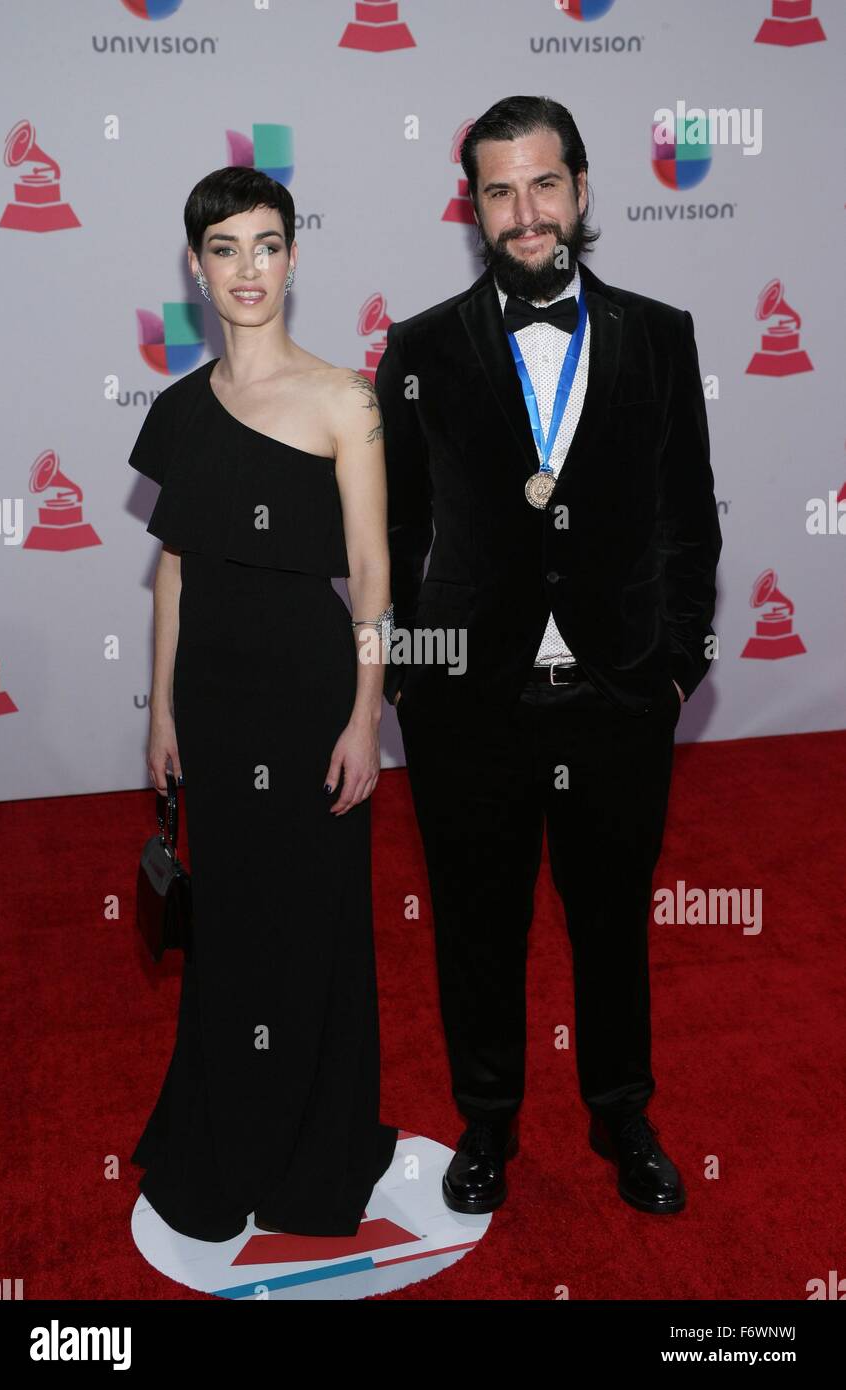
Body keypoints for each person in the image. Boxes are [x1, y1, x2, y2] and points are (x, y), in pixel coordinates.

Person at [375, 96, 722, 1217]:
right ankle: (486, 1125)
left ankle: (622, 1112)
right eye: (496, 191)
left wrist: (671, 665)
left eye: (540, 184)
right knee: (477, 927)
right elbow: (394, 532)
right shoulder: (419, 348)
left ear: (578, 188)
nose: (522, 213)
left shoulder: (659, 334)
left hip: (617, 695)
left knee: (612, 921)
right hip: (470, 708)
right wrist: (419, 683)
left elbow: (687, 519)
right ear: (470, 208)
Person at [128, 166, 397, 1242]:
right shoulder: (179, 410)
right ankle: (221, 1133)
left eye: (268, 243)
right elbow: (175, 575)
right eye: (226, 247)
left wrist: (365, 714)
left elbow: (374, 572)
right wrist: (160, 714)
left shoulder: (347, 399)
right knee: (231, 922)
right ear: (196, 267)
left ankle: (310, 1148)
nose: (248, 267)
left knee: (315, 922)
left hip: (310, 693)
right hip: (214, 700)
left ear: (294, 256)